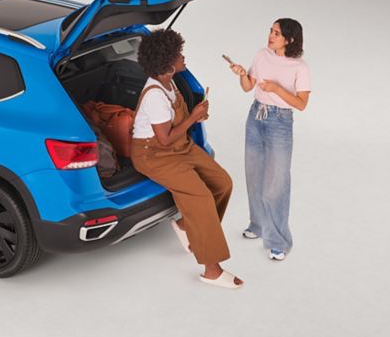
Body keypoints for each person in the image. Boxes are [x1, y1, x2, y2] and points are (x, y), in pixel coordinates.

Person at [131, 29, 243, 289]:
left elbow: (175, 133)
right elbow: (164, 139)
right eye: (179, 54)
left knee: (222, 183)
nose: (183, 57)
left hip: (179, 146)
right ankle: (211, 269)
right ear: (168, 63)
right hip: (154, 154)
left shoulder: (170, 82)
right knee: (200, 197)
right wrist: (193, 118)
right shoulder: (155, 96)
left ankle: (186, 226)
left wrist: (196, 114)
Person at [228, 18, 310, 261]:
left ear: (290, 39)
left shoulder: (299, 67)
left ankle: (279, 241)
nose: (270, 36)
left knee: (276, 182)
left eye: (276, 33)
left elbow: (301, 104)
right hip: (255, 116)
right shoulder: (262, 55)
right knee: (254, 175)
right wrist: (242, 74)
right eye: (270, 31)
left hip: (279, 123)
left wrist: (277, 90)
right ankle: (258, 225)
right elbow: (247, 87)